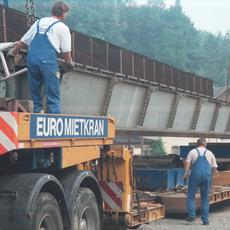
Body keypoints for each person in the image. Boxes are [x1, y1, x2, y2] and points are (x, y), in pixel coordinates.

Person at [10, 1, 73, 114]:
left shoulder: (39, 22)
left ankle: (37, 112)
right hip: (48, 61)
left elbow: (24, 41)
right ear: (64, 13)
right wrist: (69, 62)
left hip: (32, 59)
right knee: (53, 90)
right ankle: (54, 117)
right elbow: (66, 51)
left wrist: (14, 51)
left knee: (35, 89)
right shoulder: (63, 27)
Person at [183, 138, 218, 225]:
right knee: (205, 198)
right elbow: (214, 167)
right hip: (206, 176)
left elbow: (187, 163)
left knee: (191, 196)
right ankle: (205, 220)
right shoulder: (210, 153)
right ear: (205, 144)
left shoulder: (192, 152)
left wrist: (186, 173)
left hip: (195, 176)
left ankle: (191, 215)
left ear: (197, 144)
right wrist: (211, 176)